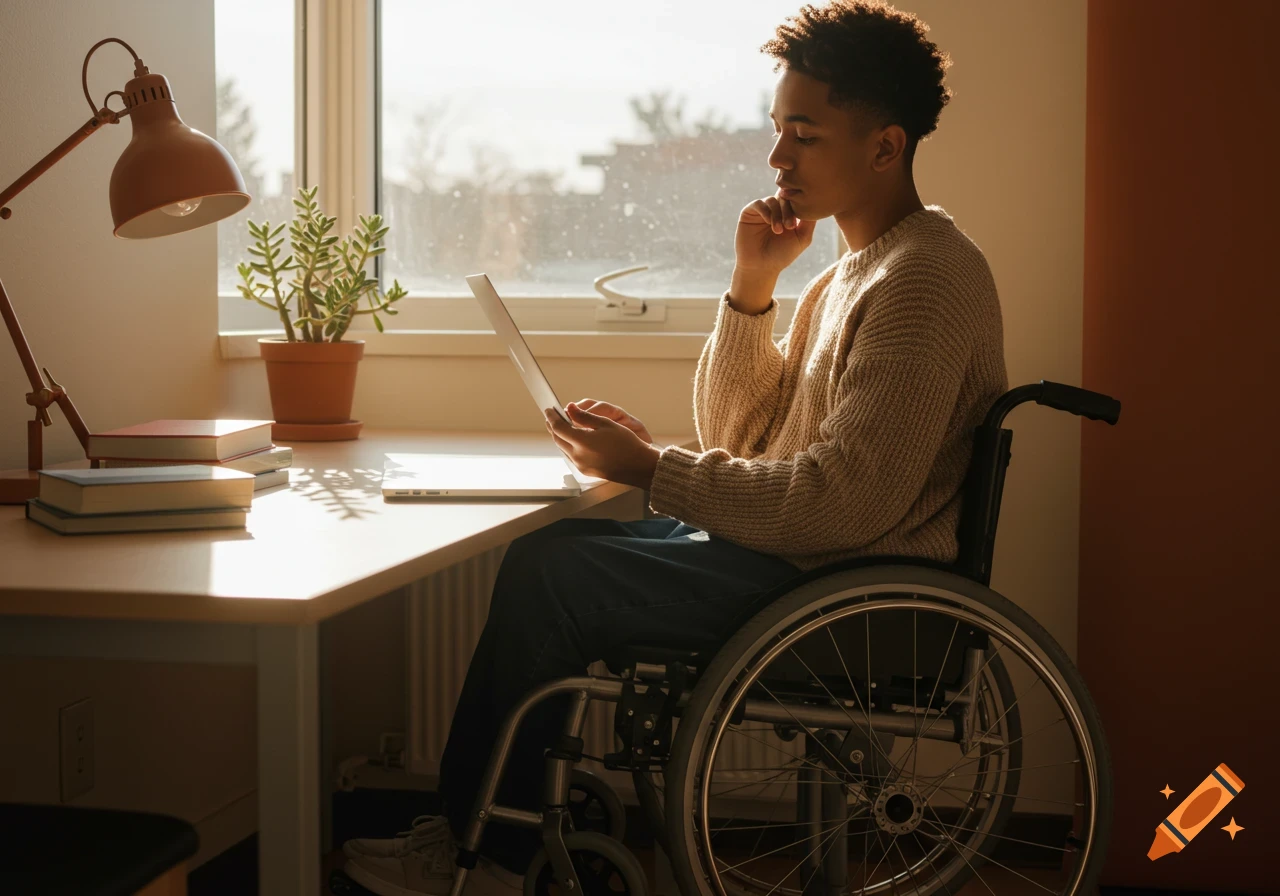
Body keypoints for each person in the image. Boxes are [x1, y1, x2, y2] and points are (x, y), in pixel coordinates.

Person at [343, 1, 1007, 893]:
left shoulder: (924, 278)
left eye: (803, 136)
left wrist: (654, 470)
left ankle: (489, 857)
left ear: (884, 147)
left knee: (554, 578)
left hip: (846, 589)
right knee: (552, 551)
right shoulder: (849, 273)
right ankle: (497, 830)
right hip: (807, 565)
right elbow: (745, 439)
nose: (776, 160)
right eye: (778, 131)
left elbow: (845, 501)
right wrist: (751, 288)